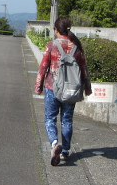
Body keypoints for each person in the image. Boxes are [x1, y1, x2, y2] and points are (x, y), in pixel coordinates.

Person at [34, 17, 92, 166]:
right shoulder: (77, 47)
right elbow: (84, 69)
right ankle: (65, 151)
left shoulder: (51, 45)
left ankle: (54, 144)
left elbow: (43, 68)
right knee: (67, 120)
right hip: (71, 90)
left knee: (50, 118)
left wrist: (38, 86)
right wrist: (87, 88)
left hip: (52, 87)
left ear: (56, 30)